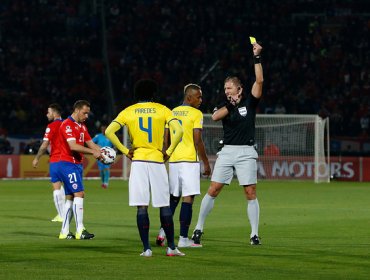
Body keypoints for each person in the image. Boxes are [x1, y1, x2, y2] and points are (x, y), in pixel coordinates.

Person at [191, 41, 264, 246]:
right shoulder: (224, 104)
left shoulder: (250, 101)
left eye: (230, 87)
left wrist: (257, 57)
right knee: (213, 189)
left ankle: (254, 234)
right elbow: (215, 117)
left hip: (247, 151)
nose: (226, 90)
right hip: (227, 152)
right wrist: (230, 106)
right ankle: (198, 228)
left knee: (250, 192)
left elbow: (259, 80)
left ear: (239, 89)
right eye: (225, 88)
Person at [105, 79, 185, 257]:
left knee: (142, 206)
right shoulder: (162, 109)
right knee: (164, 205)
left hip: (138, 161)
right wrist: (169, 151)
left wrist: (125, 150)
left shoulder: (128, 111)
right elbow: (179, 131)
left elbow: (109, 131)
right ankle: (171, 247)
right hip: (157, 160)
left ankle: (146, 249)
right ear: (153, 93)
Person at [156, 83, 211, 248]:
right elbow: (197, 140)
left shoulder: (171, 112)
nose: (201, 100)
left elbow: (165, 139)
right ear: (189, 97)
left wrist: (166, 155)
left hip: (173, 161)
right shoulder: (196, 113)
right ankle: (183, 239)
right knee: (188, 198)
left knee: (173, 198)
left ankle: (162, 232)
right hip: (188, 160)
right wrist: (206, 162)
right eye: (198, 96)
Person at [56, 100, 102, 240]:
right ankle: (80, 230)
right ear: (76, 110)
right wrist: (93, 152)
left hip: (76, 164)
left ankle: (64, 231)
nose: (87, 116)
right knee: (79, 193)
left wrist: (103, 153)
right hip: (66, 164)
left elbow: (91, 143)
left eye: (88, 113)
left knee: (70, 197)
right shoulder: (67, 125)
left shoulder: (82, 126)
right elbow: (73, 146)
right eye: (84, 113)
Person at [32, 103, 65, 222]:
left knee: (56, 187)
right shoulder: (68, 124)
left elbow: (45, 144)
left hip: (56, 159)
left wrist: (36, 158)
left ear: (55, 113)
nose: (47, 114)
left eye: (48, 112)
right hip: (70, 160)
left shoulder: (51, 126)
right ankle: (67, 212)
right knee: (69, 189)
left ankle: (61, 215)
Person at [93, 124, 114, 189]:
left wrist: (114, 153)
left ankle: (106, 183)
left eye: (104, 129)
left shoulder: (110, 136)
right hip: (100, 155)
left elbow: (114, 145)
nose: (103, 130)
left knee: (107, 168)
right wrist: (96, 147)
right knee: (101, 170)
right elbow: (91, 142)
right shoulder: (98, 136)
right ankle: (103, 182)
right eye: (102, 129)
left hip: (108, 156)